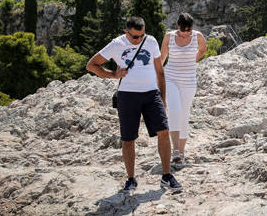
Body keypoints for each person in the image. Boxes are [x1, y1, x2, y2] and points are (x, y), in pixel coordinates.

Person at [85, 16, 182, 192]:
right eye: (135, 37)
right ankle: (131, 179)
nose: (139, 40)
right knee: (128, 139)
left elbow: (160, 72)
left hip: (151, 94)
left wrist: (163, 98)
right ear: (126, 32)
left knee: (164, 131)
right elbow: (92, 65)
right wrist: (113, 75)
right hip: (127, 96)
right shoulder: (116, 44)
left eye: (141, 36)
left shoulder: (150, 41)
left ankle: (167, 176)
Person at [160, 13, 206, 167]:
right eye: (183, 30)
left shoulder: (198, 36)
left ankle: (182, 152)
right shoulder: (169, 36)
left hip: (189, 80)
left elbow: (203, 50)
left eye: (189, 30)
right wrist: (155, 75)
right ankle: (175, 151)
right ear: (177, 26)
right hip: (170, 77)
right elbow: (162, 57)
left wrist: (192, 60)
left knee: (184, 115)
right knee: (174, 111)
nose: (186, 33)